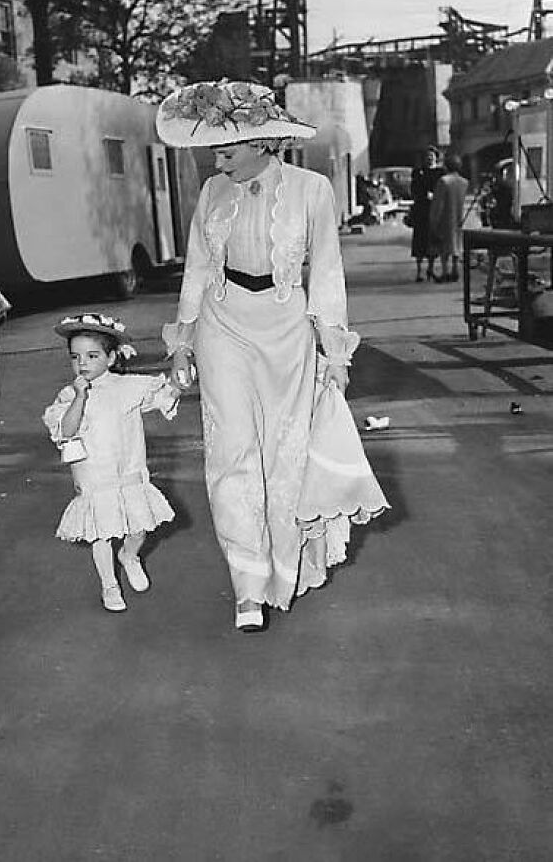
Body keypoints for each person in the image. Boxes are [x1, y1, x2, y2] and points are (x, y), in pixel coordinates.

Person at [156, 79, 384, 633]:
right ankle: (247, 585)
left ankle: (285, 567)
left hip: (286, 327)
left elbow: (327, 270)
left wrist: (335, 351)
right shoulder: (212, 192)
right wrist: (182, 341)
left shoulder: (312, 189)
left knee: (286, 452)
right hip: (223, 323)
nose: (218, 158)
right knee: (230, 452)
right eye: (215, 148)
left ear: (262, 141)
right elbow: (197, 268)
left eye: (227, 147)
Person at [43, 313, 180, 613]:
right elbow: (66, 431)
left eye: (92, 356)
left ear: (111, 356)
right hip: (93, 475)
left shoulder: (127, 387)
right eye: (75, 357)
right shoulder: (69, 394)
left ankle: (129, 556)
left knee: (139, 528)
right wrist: (80, 395)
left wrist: (180, 378)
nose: (83, 364)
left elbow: (163, 398)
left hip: (128, 471)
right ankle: (109, 584)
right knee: (101, 532)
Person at [430, 151, 469, 283]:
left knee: (444, 246)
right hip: (459, 216)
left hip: (446, 217)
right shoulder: (464, 182)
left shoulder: (443, 181)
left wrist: (434, 220)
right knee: (456, 244)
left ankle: (445, 271)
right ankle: (455, 269)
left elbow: (438, 203)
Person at [410, 146, 443, 282]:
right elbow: (413, 189)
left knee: (432, 240)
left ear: (436, 157)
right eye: (427, 156)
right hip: (420, 209)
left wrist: (436, 196)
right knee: (419, 240)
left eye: (432, 156)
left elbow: (442, 189)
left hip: (434, 209)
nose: (429, 158)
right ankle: (419, 271)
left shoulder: (441, 172)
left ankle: (430, 268)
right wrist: (423, 195)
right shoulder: (418, 172)